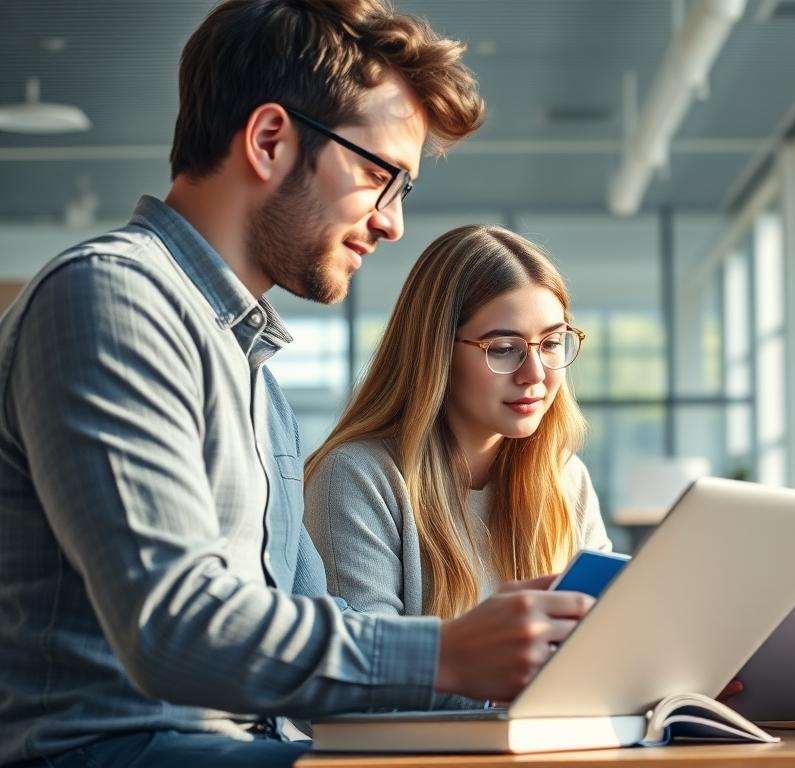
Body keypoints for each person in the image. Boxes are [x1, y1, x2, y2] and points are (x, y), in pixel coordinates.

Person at [0, 2, 593, 766]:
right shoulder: (111, 299)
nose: (391, 224)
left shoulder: (249, 370)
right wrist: (450, 652)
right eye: (379, 175)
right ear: (271, 140)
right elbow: (171, 628)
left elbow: (322, 622)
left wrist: (522, 662)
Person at [303, 225, 611, 630]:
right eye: (503, 349)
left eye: (552, 343)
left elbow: (606, 637)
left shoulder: (565, 479)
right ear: (435, 353)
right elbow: (368, 675)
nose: (534, 373)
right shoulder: (356, 477)